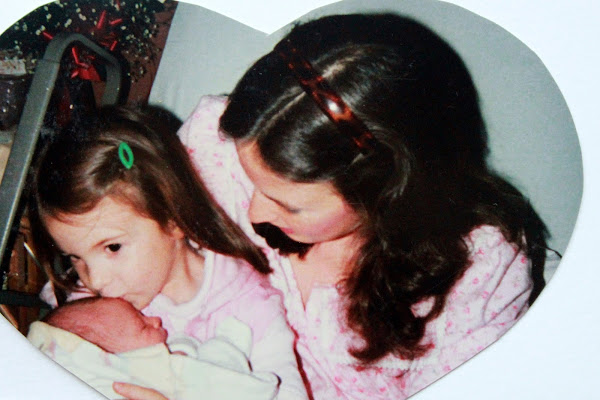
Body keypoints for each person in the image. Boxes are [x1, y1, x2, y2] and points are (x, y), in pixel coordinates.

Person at [117, 13, 548, 400]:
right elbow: (111, 253)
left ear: (386, 193)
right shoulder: (215, 146)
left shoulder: (478, 273)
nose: (252, 215)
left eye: (291, 206)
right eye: (252, 182)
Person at [28, 106, 308, 400]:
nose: (95, 280)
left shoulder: (248, 307)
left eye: (113, 247)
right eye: (75, 257)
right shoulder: (90, 305)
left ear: (173, 218)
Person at [28, 297, 281, 400]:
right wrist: (227, 341)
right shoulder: (162, 371)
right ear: (112, 358)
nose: (155, 319)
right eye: (142, 324)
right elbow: (227, 380)